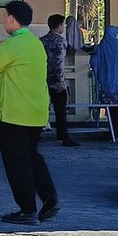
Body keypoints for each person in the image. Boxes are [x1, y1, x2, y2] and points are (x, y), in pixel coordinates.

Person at [0, 0, 60, 225]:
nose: (4, 20)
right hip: (35, 114)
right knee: (32, 156)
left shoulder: (12, 45)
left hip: (13, 114)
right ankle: (50, 197)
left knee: (17, 165)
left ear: (12, 19)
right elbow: (12, 61)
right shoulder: (33, 44)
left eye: (5, 16)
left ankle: (27, 210)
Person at [40, 13, 77, 146]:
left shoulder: (42, 40)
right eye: (63, 24)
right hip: (56, 79)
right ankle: (63, 136)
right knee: (60, 110)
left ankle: (37, 132)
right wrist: (61, 80)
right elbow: (59, 61)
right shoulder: (60, 41)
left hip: (42, 78)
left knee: (41, 108)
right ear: (59, 25)